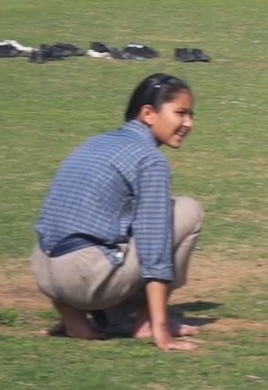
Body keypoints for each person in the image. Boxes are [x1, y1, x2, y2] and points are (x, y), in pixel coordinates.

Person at [31, 74, 204, 352]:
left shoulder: (95, 143)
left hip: (47, 275)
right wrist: (161, 328)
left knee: (130, 218)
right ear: (148, 113)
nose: (189, 124)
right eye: (180, 113)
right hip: (84, 278)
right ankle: (146, 322)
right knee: (187, 210)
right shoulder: (151, 159)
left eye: (191, 115)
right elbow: (155, 244)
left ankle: (77, 319)